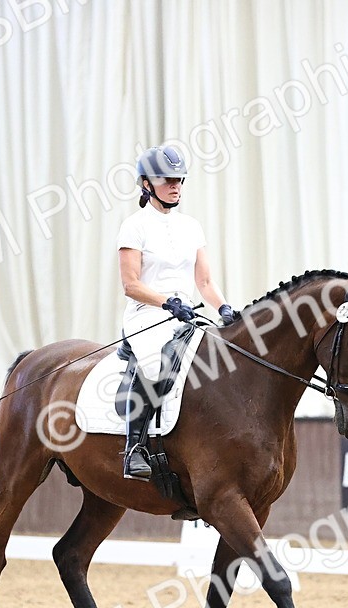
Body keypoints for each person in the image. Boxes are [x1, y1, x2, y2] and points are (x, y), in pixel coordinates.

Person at [117, 144, 236, 480]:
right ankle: (134, 448)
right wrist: (167, 302)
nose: (175, 186)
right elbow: (130, 285)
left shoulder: (191, 227)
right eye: (167, 180)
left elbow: (205, 280)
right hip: (147, 314)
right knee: (156, 364)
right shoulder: (134, 226)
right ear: (146, 184)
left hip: (184, 314)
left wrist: (225, 307)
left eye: (179, 180)